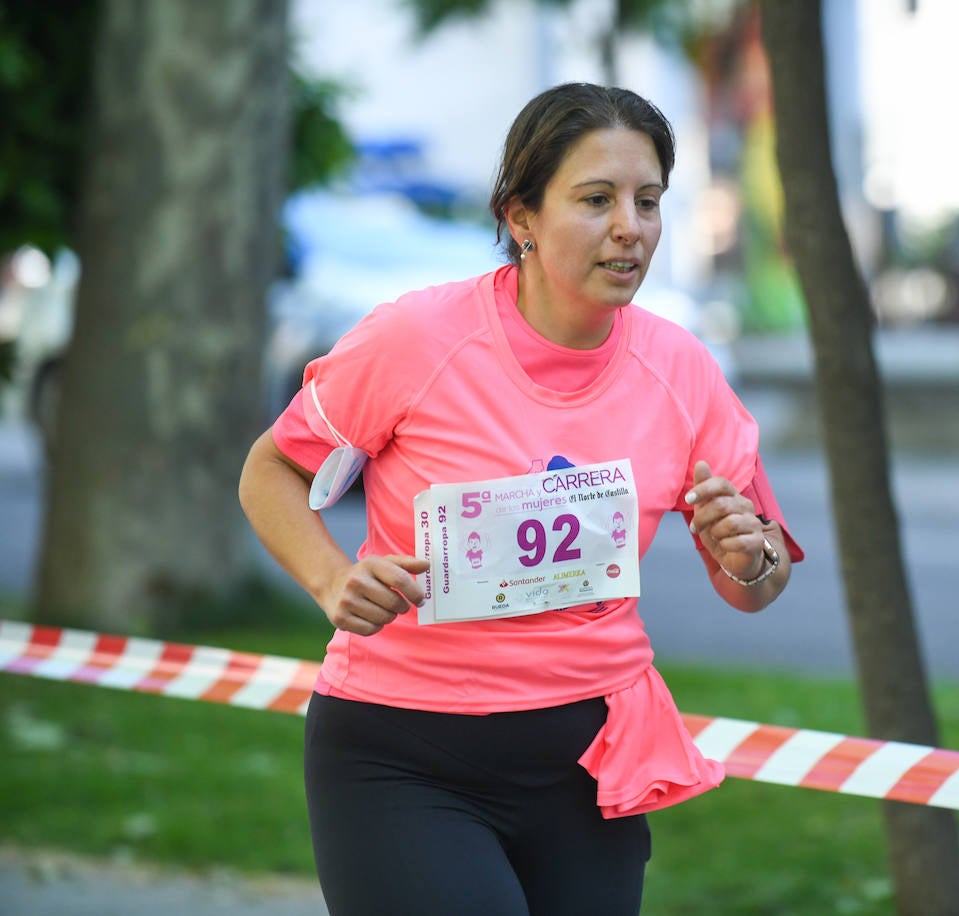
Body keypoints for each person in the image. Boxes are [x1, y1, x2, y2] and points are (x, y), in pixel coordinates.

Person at [239, 82, 802, 916]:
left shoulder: (682, 369)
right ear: (521, 218)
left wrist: (746, 557)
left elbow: (757, 584)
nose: (630, 227)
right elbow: (271, 469)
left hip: (589, 765)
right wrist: (330, 580)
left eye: (648, 201)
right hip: (404, 756)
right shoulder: (417, 338)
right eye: (596, 199)